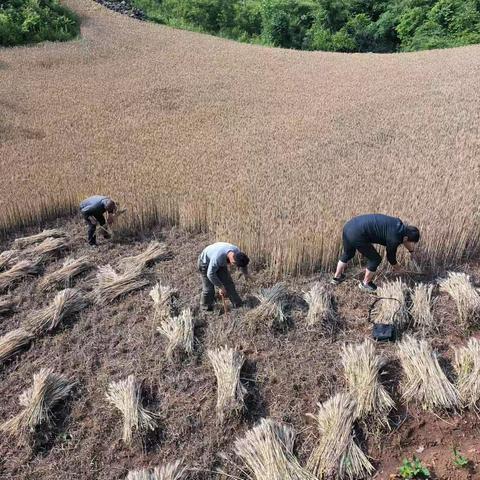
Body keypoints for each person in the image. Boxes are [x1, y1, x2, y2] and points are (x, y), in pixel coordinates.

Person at [331, 214, 420, 292]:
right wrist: (398, 269)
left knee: (348, 253)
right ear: (406, 238)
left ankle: (336, 278)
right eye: (411, 242)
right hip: (358, 235)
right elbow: (390, 257)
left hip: (349, 226)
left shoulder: (400, 224)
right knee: (375, 259)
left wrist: (411, 251)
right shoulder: (394, 239)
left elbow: (405, 240)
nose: (409, 243)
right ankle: (365, 284)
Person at [198, 242, 250, 311]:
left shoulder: (237, 252)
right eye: (235, 265)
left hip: (219, 262)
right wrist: (220, 286)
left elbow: (243, 263)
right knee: (209, 289)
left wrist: (246, 274)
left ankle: (238, 304)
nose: (234, 266)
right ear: (233, 261)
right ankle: (205, 308)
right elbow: (210, 274)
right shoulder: (218, 257)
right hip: (205, 263)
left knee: (229, 283)